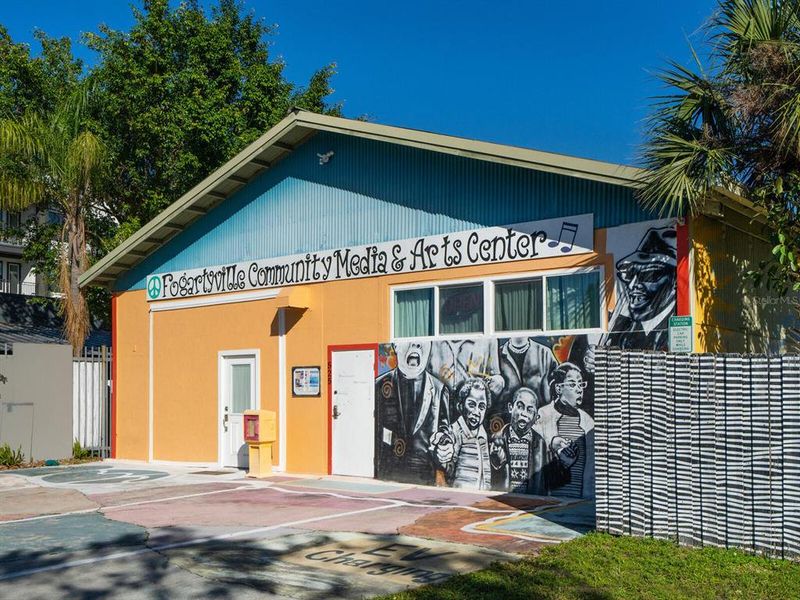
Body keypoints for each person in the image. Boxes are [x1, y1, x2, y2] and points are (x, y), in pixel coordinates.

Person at [374, 341, 449, 485]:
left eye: (424, 341)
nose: (416, 343)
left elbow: (444, 428)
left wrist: (445, 444)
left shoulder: (439, 390)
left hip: (425, 474)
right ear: (395, 346)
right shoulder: (379, 385)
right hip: (389, 473)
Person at [605, 227, 677, 351]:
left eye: (648, 274)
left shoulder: (677, 327)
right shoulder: (620, 326)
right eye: (630, 274)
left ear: (675, 280)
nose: (632, 285)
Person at [536, 362, 595, 498]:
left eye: (581, 384)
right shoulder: (543, 415)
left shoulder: (588, 422)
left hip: (579, 499)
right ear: (558, 388)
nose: (579, 390)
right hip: (549, 499)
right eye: (573, 384)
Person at [431, 378, 491, 490]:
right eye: (471, 405)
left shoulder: (483, 435)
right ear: (461, 406)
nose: (476, 412)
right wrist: (443, 457)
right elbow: (448, 467)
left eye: (481, 407)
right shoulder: (455, 431)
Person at [489, 387, 549, 494]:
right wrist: (496, 463)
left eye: (530, 410)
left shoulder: (540, 443)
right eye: (520, 407)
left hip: (529, 499)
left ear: (536, 417)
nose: (524, 414)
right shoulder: (497, 439)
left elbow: (542, 480)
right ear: (510, 407)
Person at [498, 336, 559, 408]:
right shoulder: (498, 355)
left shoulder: (545, 353)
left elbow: (559, 387)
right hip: (505, 414)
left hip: (541, 413)